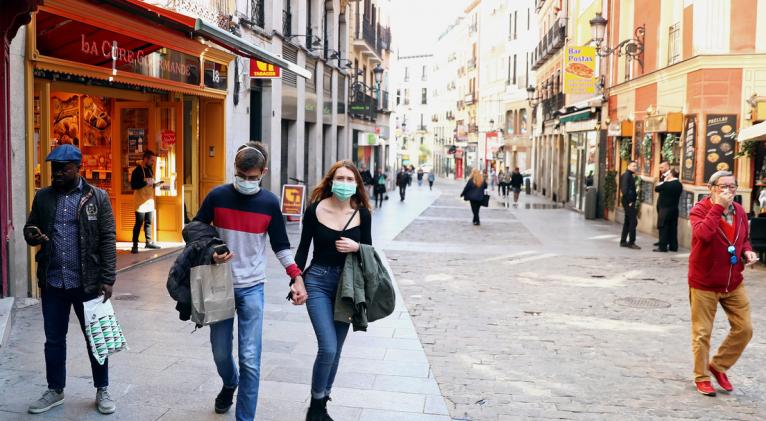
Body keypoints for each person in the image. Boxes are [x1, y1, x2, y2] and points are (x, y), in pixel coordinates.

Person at [193, 141, 307, 420]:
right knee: (220, 352)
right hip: (219, 283)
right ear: (234, 169)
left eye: (252, 177)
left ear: (263, 172)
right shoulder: (217, 196)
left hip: (252, 287)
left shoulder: (269, 203)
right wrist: (211, 252)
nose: (246, 182)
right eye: (242, 176)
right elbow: (195, 231)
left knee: (251, 359)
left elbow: (281, 245)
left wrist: (296, 276)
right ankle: (230, 383)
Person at [23, 144, 117, 415]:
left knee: (96, 338)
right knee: (53, 339)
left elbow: (108, 239)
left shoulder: (97, 197)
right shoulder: (43, 197)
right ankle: (55, 390)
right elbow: (31, 228)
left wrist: (108, 278)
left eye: (64, 168)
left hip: (87, 282)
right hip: (53, 281)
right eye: (54, 169)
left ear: (78, 168)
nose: (58, 173)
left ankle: (102, 389)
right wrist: (32, 235)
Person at [295, 161, 373, 421]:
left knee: (336, 350)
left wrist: (356, 247)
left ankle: (320, 405)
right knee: (327, 347)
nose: (345, 183)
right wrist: (296, 280)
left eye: (351, 179)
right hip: (317, 280)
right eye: (340, 178)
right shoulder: (315, 210)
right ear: (331, 181)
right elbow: (303, 249)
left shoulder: (363, 214)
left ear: (357, 185)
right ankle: (317, 404)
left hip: (347, 287)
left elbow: (370, 252)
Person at [688, 170, 758, 397]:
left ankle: (717, 366)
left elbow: (744, 238)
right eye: (723, 187)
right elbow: (703, 235)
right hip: (705, 282)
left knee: (745, 329)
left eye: (732, 187)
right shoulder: (699, 210)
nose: (728, 191)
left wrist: (748, 252)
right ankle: (702, 377)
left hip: (733, 281)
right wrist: (717, 207)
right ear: (711, 189)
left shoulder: (739, 211)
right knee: (702, 333)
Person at [130, 150, 161, 254]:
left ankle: (149, 241)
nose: (153, 162)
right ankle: (135, 245)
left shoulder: (150, 169)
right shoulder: (137, 171)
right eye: (151, 160)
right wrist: (145, 182)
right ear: (146, 159)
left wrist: (156, 184)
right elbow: (134, 186)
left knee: (148, 222)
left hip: (149, 200)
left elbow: (150, 184)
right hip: (140, 201)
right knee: (138, 223)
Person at [654, 168, 683, 252]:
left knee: (663, 227)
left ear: (671, 174)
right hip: (674, 209)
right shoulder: (679, 185)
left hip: (664, 210)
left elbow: (656, 188)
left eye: (669, 174)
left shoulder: (667, 184)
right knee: (673, 228)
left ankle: (662, 247)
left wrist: (665, 180)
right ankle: (673, 246)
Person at [620, 161, 640, 249]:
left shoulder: (629, 175)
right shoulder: (626, 175)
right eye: (633, 166)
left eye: (636, 166)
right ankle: (631, 242)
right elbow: (624, 189)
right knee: (633, 221)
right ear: (628, 166)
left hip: (629, 201)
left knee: (628, 221)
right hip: (628, 201)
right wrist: (630, 201)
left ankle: (623, 241)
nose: (635, 167)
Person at [653, 160, 672, 247]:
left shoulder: (670, 176)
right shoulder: (663, 175)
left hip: (666, 204)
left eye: (662, 167)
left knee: (664, 223)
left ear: (667, 167)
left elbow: (659, 187)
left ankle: (664, 241)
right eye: (660, 167)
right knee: (660, 222)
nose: (660, 169)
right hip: (661, 202)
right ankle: (661, 240)